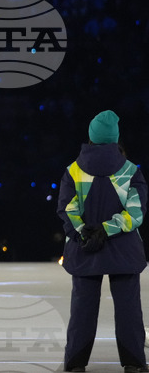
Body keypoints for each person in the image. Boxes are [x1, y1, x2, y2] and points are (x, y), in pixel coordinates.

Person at [57, 110, 149, 373]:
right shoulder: (130, 171)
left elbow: (67, 209)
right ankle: (133, 363)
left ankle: (75, 364)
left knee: (82, 309)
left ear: (92, 136)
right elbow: (135, 213)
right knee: (129, 309)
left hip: (85, 248)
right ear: (115, 138)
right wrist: (106, 231)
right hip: (124, 249)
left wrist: (86, 233)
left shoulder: (73, 171)